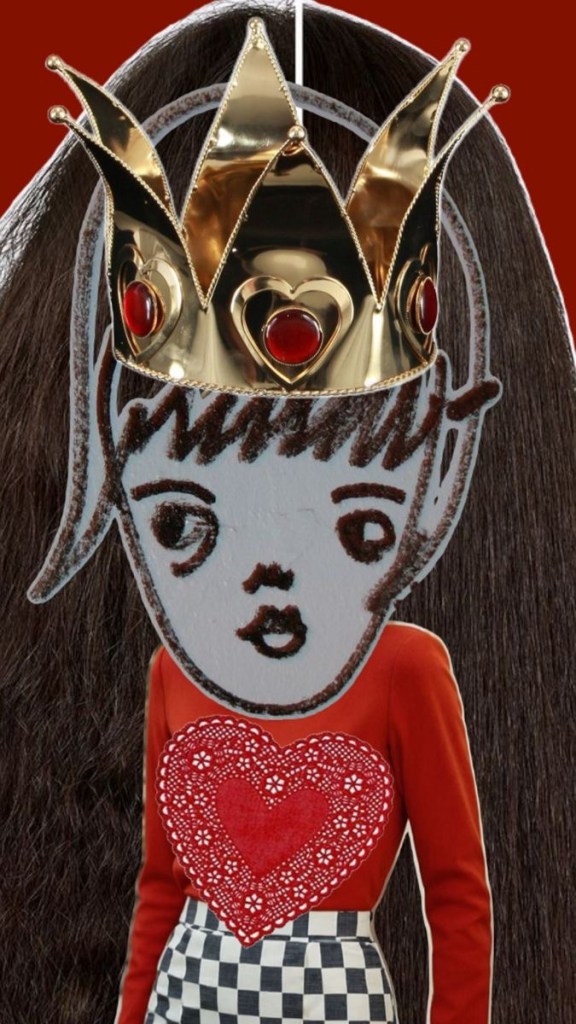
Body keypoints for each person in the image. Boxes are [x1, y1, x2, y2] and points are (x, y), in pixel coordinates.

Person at [0, 4, 574, 1024]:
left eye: (358, 525)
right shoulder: (172, 677)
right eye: (184, 523)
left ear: (445, 494)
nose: (270, 568)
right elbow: (159, 889)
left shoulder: (410, 672)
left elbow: (459, 894)